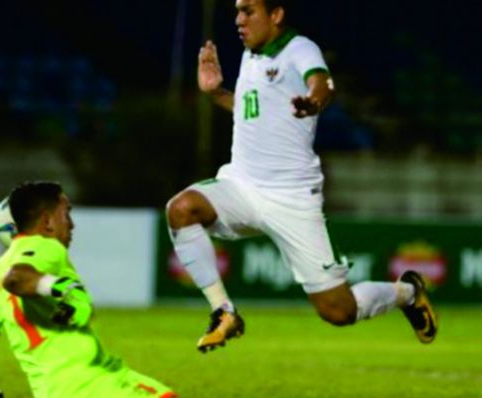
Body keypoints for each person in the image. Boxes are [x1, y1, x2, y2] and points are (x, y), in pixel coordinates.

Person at [0, 181, 357, 398]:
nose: (72, 222)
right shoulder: (43, 249)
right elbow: (20, 278)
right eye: (66, 212)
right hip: (89, 386)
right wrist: (58, 288)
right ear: (47, 220)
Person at [165, 0, 439, 353]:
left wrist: (314, 101)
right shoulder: (251, 55)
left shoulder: (300, 48)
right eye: (237, 11)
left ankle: (408, 292)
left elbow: (321, 83)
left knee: (338, 311)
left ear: (276, 15)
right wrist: (216, 93)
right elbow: (254, 112)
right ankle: (224, 312)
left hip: (291, 199)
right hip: (242, 187)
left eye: (248, 11)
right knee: (182, 208)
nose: (238, 20)